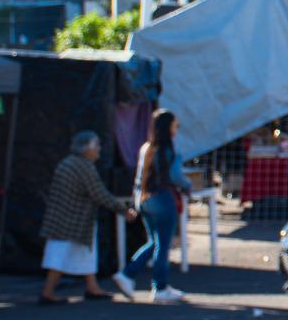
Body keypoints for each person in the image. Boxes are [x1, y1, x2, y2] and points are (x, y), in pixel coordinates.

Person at [39, 131, 137, 304]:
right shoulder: (84, 167)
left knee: (84, 253)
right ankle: (48, 292)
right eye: (96, 145)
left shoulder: (68, 163)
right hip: (71, 220)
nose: (99, 149)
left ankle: (92, 287)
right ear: (86, 148)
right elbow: (99, 194)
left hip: (65, 218)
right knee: (59, 255)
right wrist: (123, 210)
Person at [115, 110, 192, 303]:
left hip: (143, 199)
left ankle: (127, 274)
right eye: (175, 125)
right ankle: (159, 287)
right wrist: (187, 186)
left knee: (154, 242)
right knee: (163, 245)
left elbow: (141, 176)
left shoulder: (146, 148)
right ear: (168, 128)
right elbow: (176, 176)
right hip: (162, 199)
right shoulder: (169, 151)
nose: (177, 129)